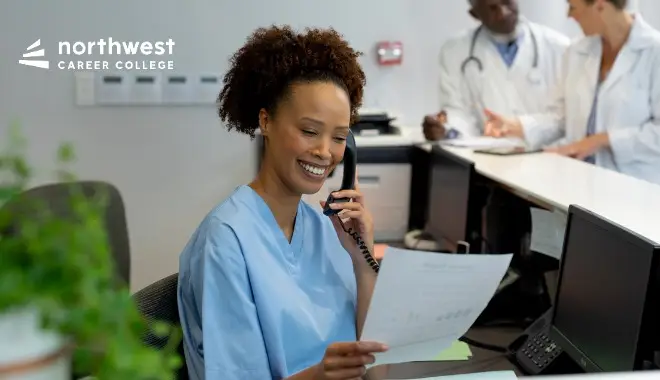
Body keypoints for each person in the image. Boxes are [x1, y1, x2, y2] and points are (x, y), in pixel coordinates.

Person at [176, 25, 389, 380]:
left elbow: (376, 374)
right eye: (309, 131)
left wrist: (363, 262)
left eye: (339, 137)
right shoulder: (226, 241)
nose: (324, 152)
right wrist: (321, 374)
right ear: (266, 121)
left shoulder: (327, 230)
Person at [487, 0, 660, 188]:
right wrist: (518, 126)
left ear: (600, 6)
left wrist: (603, 140)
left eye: (573, 7)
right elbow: (561, 118)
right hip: (582, 186)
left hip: (638, 190)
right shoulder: (577, 51)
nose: (569, 15)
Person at [423, 0, 571, 140]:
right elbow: (458, 111)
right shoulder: (454, 51)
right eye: (492, 7)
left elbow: (565, 115)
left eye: (506, 1)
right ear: (475, 14)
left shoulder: (559, 47)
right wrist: (445, 130)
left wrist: (523, 127)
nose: (503, 13)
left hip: (548, 156)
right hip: (488, 158)